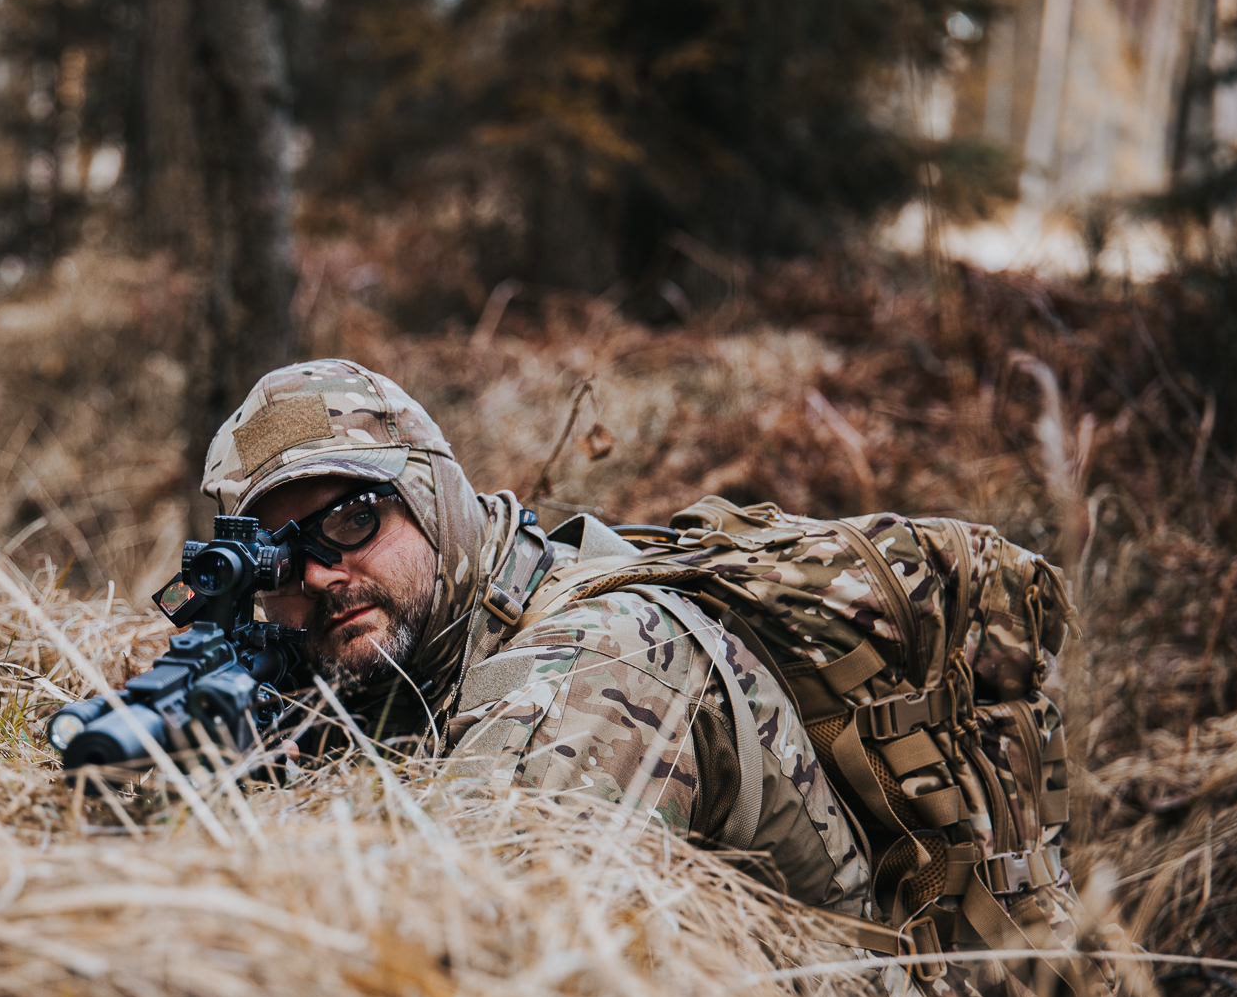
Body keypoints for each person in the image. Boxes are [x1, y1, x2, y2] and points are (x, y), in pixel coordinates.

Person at [201, 359, 871, 914]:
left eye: (353, 520)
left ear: (433, 499)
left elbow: (485, 960)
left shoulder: (595, 664)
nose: (318, 575)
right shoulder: (394, 655)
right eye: (282, 558)